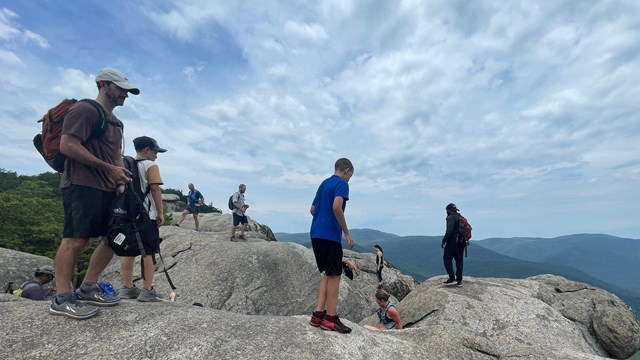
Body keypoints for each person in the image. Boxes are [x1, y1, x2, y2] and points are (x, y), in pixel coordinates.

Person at [50, 68, 139, 319]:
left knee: (113, 238)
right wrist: (108, 168)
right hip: (81, 183)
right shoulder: (85, 110)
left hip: (108, 187)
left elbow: (114, 158)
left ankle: (88, 286)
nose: (125, 94)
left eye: (127, 90)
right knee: (76, 239)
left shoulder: (116, 123)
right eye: (121, 88)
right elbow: (67, 145)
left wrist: (119, 178)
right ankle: (62, 296)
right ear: (103, 84)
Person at [308, 158, 355, 334]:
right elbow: (337, 207)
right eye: (350, 175)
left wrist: (321, 220)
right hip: (330, 236)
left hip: (316, 234)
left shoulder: (323, 184)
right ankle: (330, 319)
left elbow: (312, 210)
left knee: (327, 273)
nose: (350, 178)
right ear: (347, 171)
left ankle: (318, 315)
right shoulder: (341, 183)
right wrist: (347, 233)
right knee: (335, 275)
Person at [118, 136, 167, 302]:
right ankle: (147, 290)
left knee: (128, 251)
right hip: (146, 215)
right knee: (148, 253)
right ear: (147, 150)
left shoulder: (126, 164)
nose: (156, 155)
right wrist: (160, 213)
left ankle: (127, 288)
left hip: (127, 215)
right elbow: (155, 189)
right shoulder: (150, 165)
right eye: (155, 151)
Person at [441, 203, 464, 286]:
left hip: (453, 241)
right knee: (459, 260)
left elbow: (449, 231)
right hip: (462, 241)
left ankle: (451, 277)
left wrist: (444, 241)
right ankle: (459, 280)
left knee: (447, 258)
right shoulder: (460, 216)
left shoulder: (450, 217)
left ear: (448, 210)